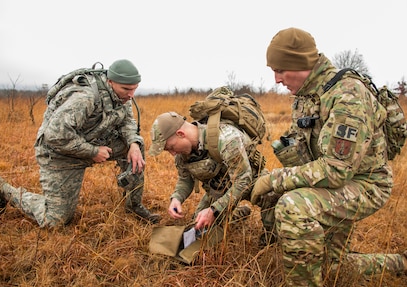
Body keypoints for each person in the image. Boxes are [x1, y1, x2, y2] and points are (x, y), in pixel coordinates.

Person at [250, 27, 407, 286]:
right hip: (335, 183)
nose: (276, 79)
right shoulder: (308, 96)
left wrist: (275, 180)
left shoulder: (348, 95)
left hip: (365, 184)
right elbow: (302, 140)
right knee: (335, 265)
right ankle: (400, 263)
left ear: (298, 64)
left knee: (294, 207)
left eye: (280, 70)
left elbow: (336, 170)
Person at [0, 59, 160, 227]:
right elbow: (55, 135)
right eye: (126, 89)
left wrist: (134, 143)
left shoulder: (122, 97)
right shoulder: (84, 97)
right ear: (110, 81)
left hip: (93, 143)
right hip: (60, 153)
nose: (131, 95)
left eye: (134, 89)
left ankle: (133, 204)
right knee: (55, 220)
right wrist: (92, 152)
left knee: (135, 146)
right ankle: (2, 189)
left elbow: (127, 122)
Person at [148, 111, 265, 231]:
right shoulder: (182, 154)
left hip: (251, 180)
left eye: (171, 147)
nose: (172, 153)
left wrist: (214, 210)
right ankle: (235, 214)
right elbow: (185, 179)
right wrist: (177, 198)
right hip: (220, 189)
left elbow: (243, 180)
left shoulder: (226, 139)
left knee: (271, 197)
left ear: (181, 134)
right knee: (199, 228)